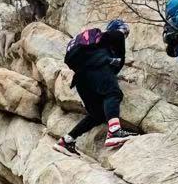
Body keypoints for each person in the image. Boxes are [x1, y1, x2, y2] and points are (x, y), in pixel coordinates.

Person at [53, 19, 131, 156]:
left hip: (81, 79)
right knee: (113, 93)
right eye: (126, 31)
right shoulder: (115, 36)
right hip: (97, 67)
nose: (125, 35)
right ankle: (114, 132)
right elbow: (118, 48)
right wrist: (118, 61)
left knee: (97, 114)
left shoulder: (92, 45)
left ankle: (66, 141)